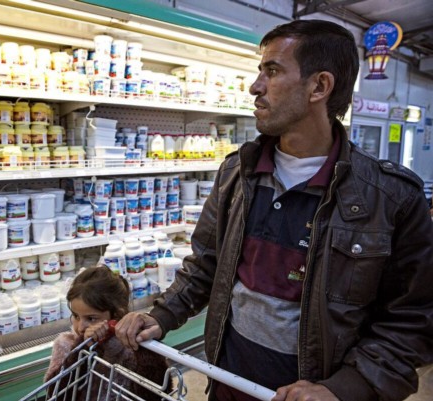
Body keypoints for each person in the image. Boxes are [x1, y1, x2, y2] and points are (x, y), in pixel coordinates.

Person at [116, 19, 433, 401]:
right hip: (226, 382)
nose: (255, 87)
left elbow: (412, 321)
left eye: (272, 71)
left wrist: (345, 389)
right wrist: (162, 315)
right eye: (259, 71)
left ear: (319, 86)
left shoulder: (391, 198)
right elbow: (206, 265)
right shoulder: (237, 173)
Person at [44, 266, 170, 401]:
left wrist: (142, 345)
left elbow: (156, 393)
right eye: (76, 316)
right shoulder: (66, 343)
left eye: (91, 318)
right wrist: (82, 349)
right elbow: (55, 394)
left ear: (117, 314)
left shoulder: (130, 348)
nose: (80, 327)